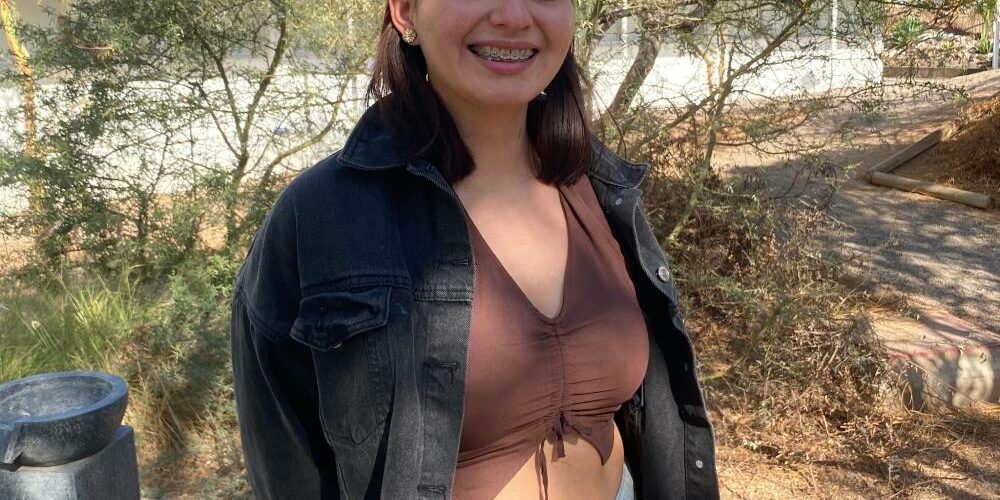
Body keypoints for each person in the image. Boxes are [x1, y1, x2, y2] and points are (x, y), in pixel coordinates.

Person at [229, 0, 718, 498]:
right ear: (405, 12)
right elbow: (285, 458)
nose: (513, 15)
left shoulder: (601, 187)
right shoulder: (320, 217)